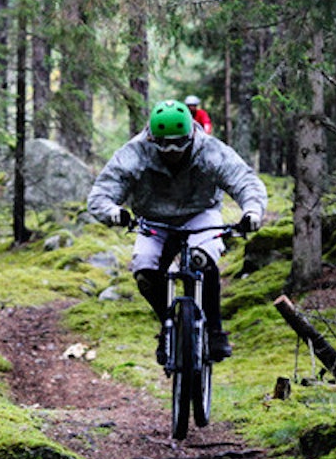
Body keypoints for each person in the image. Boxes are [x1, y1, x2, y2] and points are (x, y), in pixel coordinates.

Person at [88, 99, 266, 361]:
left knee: (202, 261)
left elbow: (244, 180)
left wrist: (252, 211)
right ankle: (168, 324)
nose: (172, 151)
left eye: (179, 144)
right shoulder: (134, 153)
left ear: (191, 135)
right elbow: (101, 194)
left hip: (200, 215)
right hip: (153, 220)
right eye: (164, 144)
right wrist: (113, 213)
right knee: (145, 270)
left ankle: (215, 331)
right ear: (152, 138)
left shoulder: (210, 149)